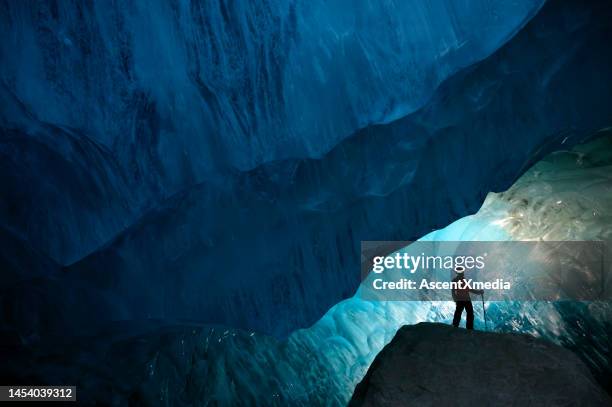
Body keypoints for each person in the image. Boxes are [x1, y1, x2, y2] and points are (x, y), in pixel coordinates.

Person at [451, 265, 483, 329]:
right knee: (469, 313)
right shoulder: (460, 280)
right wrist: (478, 292)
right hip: (465, 299)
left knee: (459, 313)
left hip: (461, 299)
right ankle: (469, 327)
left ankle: (455, 325)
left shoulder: (456, 280)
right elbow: (469, 289)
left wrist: (455, 299)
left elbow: (453, 291)